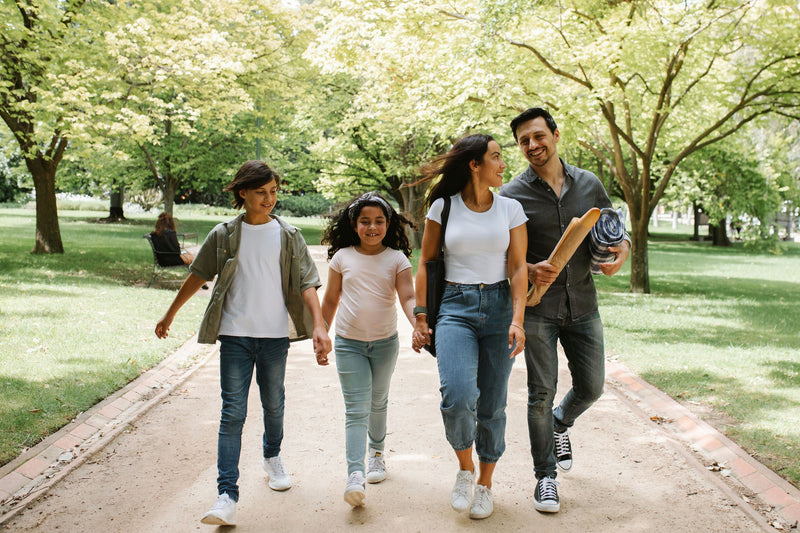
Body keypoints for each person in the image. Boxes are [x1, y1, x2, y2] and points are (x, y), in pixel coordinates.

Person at [154, 160, 332, 527]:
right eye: (261, 192)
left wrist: (319, 325)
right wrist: (170, 314)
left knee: (274, 403)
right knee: (232, 412)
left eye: (274, 192)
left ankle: (272, 455)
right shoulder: (223, 235)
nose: (269, 199)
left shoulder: (289, 235)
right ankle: (226, 495)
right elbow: (197, 275)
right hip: (235, 335)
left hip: (274, 337)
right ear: (243, 194)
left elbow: (307, 284)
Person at [499, 107, 630, 513]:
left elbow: (615, 232)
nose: (533, 145)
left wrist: (619, 255)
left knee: (592, 388)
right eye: (524, 141)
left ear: (555, 135)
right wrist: (524, 267)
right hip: (537, 309)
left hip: (584, 305)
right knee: (540, 394)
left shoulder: (589, 184)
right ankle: (545, 478)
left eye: (539, 136)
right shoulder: (510, 195)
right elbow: (499, 253)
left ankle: (561, 422)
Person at [412, 134, 528, 520]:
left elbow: (517, 267)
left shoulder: (511, 209)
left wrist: (517, 320)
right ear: (474, 164)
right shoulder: (443, 208)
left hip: (498, 309)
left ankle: (486, 483)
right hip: (455, 308)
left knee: (493, 403)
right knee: (458, 395)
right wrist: (422, 316)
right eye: (496, 157)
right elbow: (426, 263)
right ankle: (465, 468)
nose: (503, 164)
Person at [320, 192, 417, 508]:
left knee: (378, 400)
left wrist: (418, 322)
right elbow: (332, 299)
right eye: (365, 222)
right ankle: (355, 474)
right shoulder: (342, 258)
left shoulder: (396, 259)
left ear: (388, 224)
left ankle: (377, 453)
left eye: (378, 221)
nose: (372, 227)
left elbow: (406, 296)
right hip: (349, 344)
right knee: (356, 407)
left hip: (385, 344)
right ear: (354, 224)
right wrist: (321, 331)